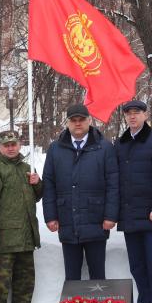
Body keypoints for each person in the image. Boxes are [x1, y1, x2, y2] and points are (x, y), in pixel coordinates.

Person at [43, 104, 119, 281]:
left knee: (98, 275)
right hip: (67, 218)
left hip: (97, 219)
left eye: (81, 120)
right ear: (67, 123)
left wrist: (111, 215)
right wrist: (50, 216)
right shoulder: (56, 149)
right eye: (73, 120)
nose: (78, 124)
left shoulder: (104, 148)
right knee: (72, 277)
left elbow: (113, 184)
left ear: (89, 121)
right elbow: (49, 183)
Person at [114, 100, 152, 303]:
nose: (132, 116)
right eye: (128, 113)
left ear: (145, 115)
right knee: (137, 266)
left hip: (150, 216)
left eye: (136, 113)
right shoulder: (120, 143)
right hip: (129, 216)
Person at [0, 131, 42, 303]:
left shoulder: (27, 168)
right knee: (0, 286)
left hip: (26, 238)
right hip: (4, 240)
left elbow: (36, 197)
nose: (11, 148)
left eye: (14, 144)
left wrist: (37, 183)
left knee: (25, 285)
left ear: (19, 145)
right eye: (6, 145)